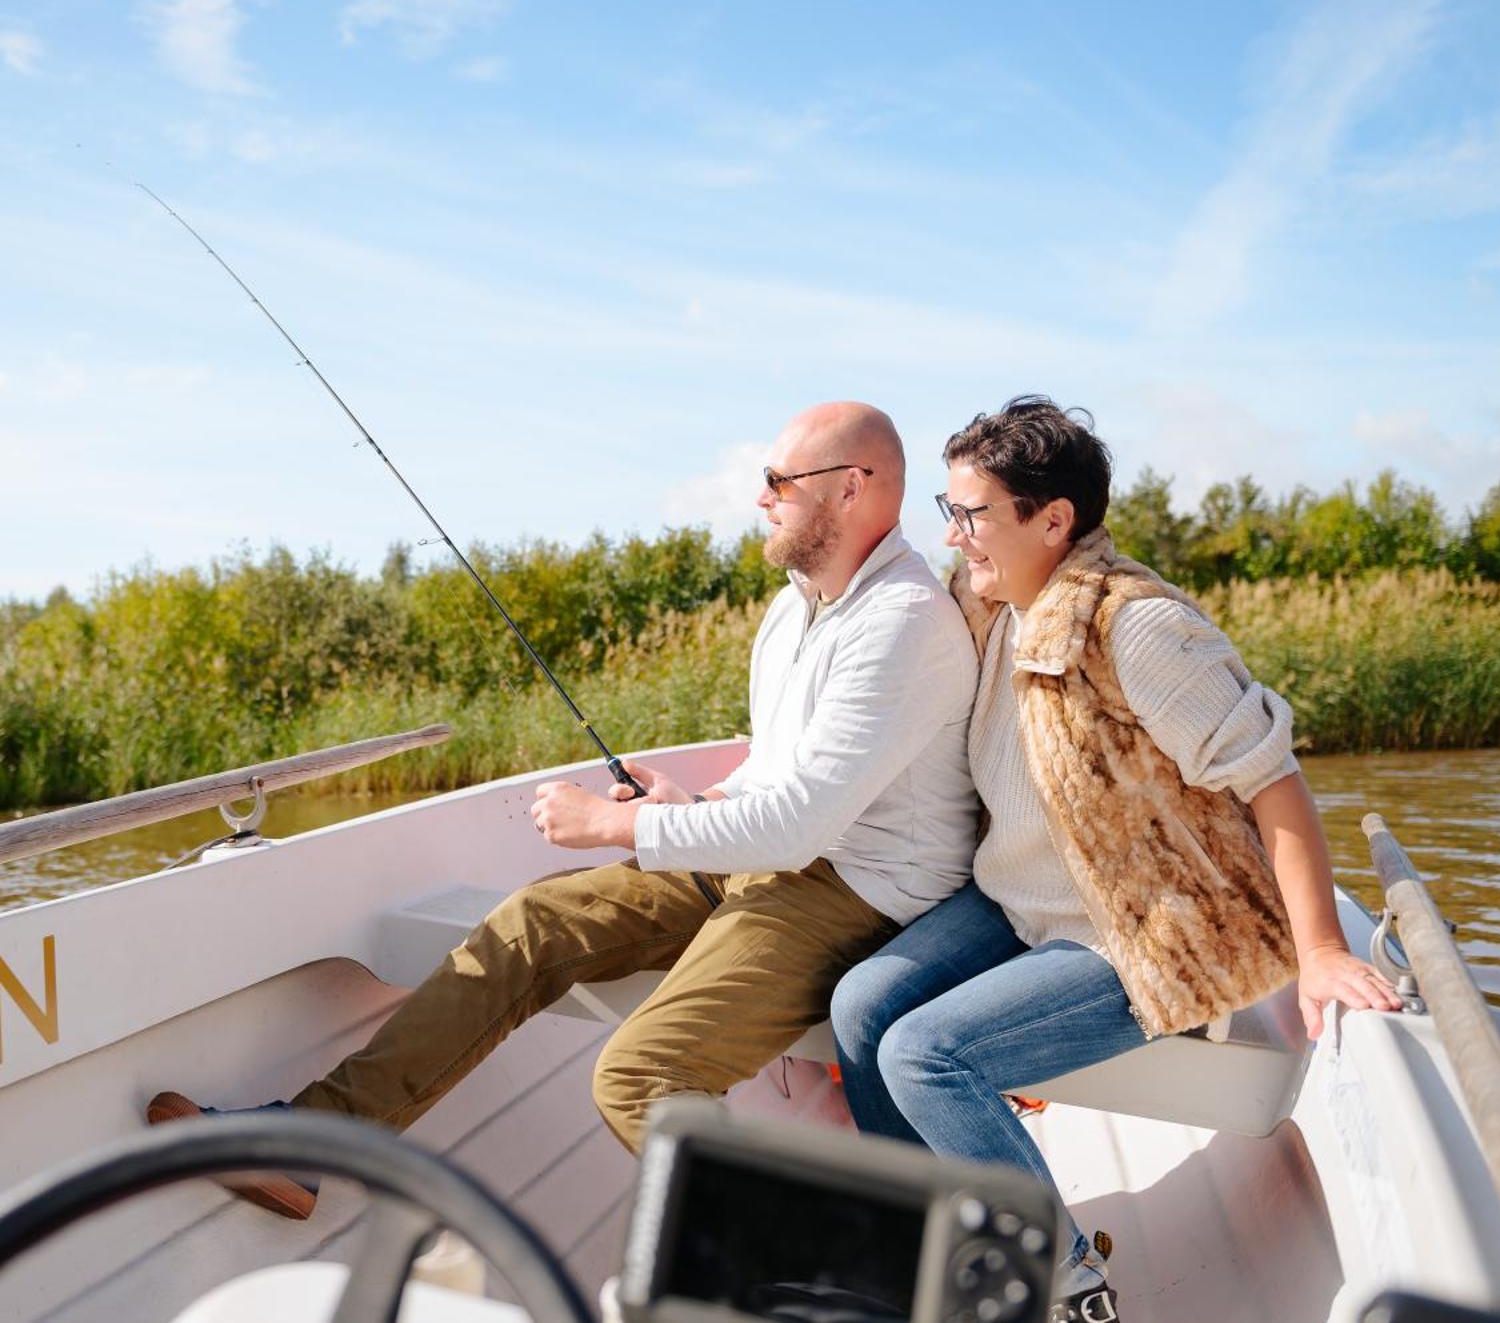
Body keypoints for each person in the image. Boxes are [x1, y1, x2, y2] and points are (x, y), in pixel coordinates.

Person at [148, 400, 982, 1218]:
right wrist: (694, 803)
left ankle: (805, 1285)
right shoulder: (795, 606)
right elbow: (777, 775)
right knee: (530, 923)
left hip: (857, 891)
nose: (760, 496)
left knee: (639, 1076)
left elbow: (801, 824)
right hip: (767, 858)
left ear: (851, 487)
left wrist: (615, 824)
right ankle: (312, 1143)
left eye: (777, 479)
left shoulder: (903, 620)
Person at [829, 396, 1404, 1323]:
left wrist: (1326, 948)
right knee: (861, 1004)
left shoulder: (1134, 627)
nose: (956, 536)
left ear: (1053, 521)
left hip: (1142, 935)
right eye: (951, 510)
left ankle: (1062, 1291)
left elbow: (1275, 783)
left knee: (925, 1052)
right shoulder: (998, 612)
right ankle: (924, 1243)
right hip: (1022, 906)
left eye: (973, 515)